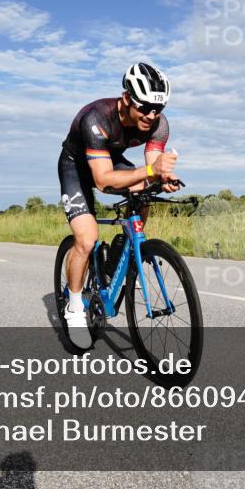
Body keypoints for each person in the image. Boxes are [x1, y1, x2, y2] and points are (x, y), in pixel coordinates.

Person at [58, 63, 181, 349]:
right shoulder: (96, 117)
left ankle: (122, 254)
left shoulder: (158, 124)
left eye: (158, 108)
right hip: (76, 167)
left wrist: (163, 178)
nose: (151, 115)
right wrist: (151, 172)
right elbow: (103, 181)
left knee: (146, 190)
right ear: (127, 98)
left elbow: (152, 168)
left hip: (109, 159)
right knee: (87, 240)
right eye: (145, 107)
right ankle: (74, 308)